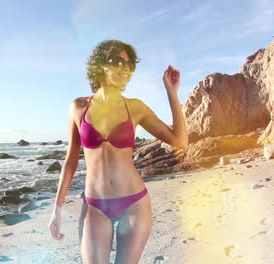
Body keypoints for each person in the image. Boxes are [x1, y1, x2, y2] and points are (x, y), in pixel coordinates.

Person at [48, 39, 188, 264]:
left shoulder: (135, 107)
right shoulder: (78, 107)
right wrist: (57, 207)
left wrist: (171, 92)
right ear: (101, 65)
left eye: (129, 65)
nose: (125, 68)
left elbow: (180, 141)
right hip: (95, 205)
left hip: (134, 204)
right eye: (118, 62)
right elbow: (71, 160)